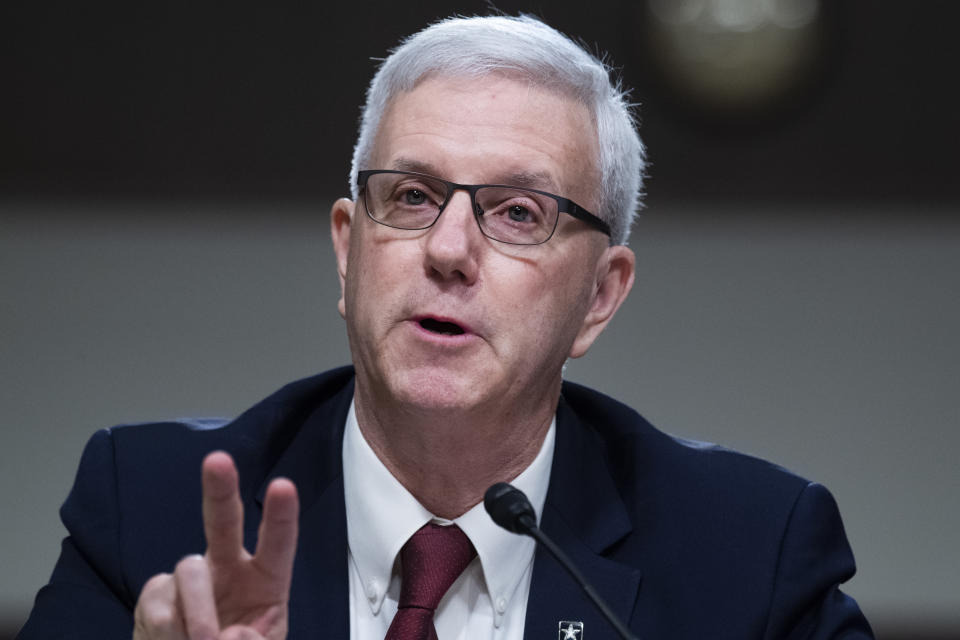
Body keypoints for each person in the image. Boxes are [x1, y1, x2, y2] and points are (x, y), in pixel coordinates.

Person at [18, 14, 873, 640]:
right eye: (414, 196)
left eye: (517, 212)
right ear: (350, 253)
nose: (449, 249)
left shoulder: (749, 556)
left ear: (601, 297)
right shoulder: (149, 515)